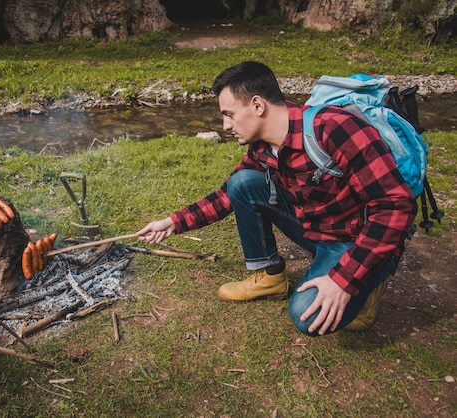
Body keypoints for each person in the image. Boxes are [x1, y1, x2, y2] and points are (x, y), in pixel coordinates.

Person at [136, 61, 416, 337]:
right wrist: (173, 223)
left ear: (258, 105)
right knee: (242, 183)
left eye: (229, 114)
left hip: (353, 238)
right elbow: (226, 195)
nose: (225, 125)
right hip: (315, 227)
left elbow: (396, 206)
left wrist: (344, 280)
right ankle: (269, 275)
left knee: (307, 315)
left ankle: (370, 284)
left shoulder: (335, 128)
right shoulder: (263, 146)